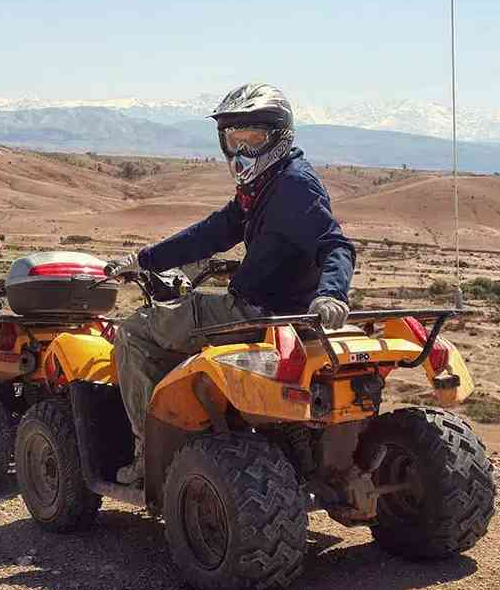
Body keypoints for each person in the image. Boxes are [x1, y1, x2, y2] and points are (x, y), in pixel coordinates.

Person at [108, 83, 356, 484]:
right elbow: (213, 232)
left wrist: (331, 292)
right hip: (272, 309)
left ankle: (145, 453)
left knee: (133, 333)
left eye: (252, 139)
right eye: (232, 138)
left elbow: (334, 244)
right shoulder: (263, 185)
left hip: (257, 311)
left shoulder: (293, 185)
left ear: (277, 137)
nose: (240, 150)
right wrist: (144, 259)